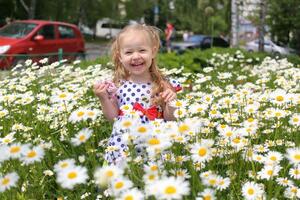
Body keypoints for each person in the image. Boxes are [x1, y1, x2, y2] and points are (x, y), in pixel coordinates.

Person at [93, 24, 182, 165]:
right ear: (120, 56)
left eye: (142, 50)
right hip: (124, 147)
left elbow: (170, 118)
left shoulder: (162, 84)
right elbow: (113, 118)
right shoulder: (118, 85)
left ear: (153, 52)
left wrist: (171, 103)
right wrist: (103, 98)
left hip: (155, 146)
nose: (136, 56)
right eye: (128, 52)